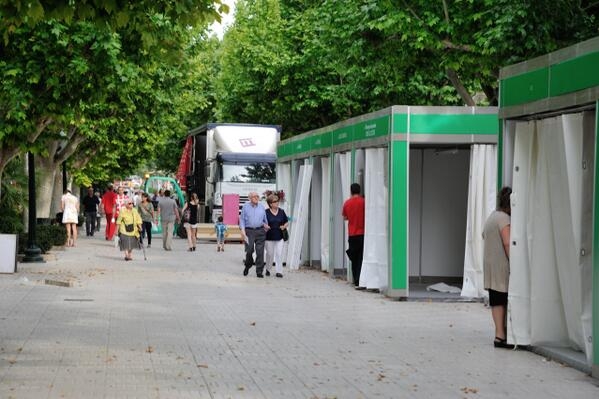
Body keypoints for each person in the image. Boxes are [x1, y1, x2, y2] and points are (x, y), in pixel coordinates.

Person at [483, 186, 512, 349]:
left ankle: (498, 334)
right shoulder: (504, 219)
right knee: (502, 300)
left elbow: (483, 235)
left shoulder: (492, 217)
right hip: (501, 267)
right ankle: (501, 336)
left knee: (496, 301)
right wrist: (514, 261)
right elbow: (508, 243)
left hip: (490, 266)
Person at [239, 191, 269, 278]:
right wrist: (243, 230)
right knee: (249, 250)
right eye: (254, 196)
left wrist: (265, 226)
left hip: (260, 231)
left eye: (257, 196)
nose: (256, 198)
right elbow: (242, 220)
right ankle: (248, 265)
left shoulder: (262, 207)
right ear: (250, 198)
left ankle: (259, 271)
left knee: (260, 252)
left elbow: (264, 220)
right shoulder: (245, 207)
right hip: (249, 232)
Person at [342, 183, 365, 288]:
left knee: (354, 257)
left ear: (351, 191)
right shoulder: (364, 202)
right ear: (359, 191)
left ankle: (355, 278)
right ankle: (359, 279)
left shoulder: (347, 203)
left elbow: (345, 217)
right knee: (361, 257)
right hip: (362, 234)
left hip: (352, 234)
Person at [264, 194, 289, 278]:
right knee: (270, 254)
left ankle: (279, 271)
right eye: (275, 201)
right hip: (269, 237)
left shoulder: (281, 211)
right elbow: (262, 221)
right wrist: (265, 226)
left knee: (279, 253)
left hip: (279, 236)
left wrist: (284, 226)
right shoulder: (266, 212)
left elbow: (286, 222)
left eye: (277, 201)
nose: (277, 203)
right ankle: (268, 268)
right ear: (270, 203)